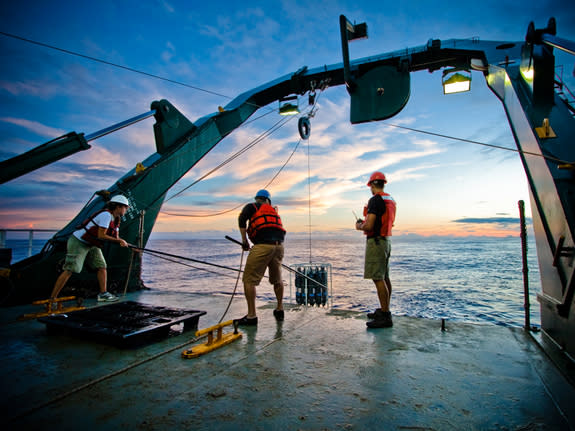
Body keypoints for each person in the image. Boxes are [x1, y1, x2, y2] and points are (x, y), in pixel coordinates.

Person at [50, 194, 130, 303]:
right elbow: (101, 235)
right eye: (126, 207)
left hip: (91, 244)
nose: (126, 210)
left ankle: (103, 294)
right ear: (118, 207)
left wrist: (128, 245)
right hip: (79, 242)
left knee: (102, 266)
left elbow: (115, 238)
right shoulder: (106, 215)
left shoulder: (116, 220)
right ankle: (52, 299)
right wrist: (119, 241)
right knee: (70, 269)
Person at [235, 189, 286, 326]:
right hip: (279, 247)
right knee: (277, 279)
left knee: (249, 280)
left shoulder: (251, 206)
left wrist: (244, 241)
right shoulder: (273, 212)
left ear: (257, 198)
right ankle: (280, 309)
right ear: (268, 200)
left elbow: (242, 219)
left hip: (262, 246)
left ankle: (251, 316)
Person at [355, 172, 396, 328]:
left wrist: (359, 226)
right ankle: (385, 309)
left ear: (372, 185)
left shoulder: (375, 200)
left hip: (376, 242)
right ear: (383, 183)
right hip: (386, 241)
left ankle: (385, 316)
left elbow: (369, 225)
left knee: (377, 278)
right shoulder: (390, 199)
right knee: (385, 277)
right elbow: (388, 222)